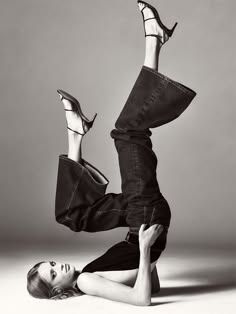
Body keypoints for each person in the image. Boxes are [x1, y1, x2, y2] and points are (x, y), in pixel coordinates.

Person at [27, 0, 196, 306]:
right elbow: (142, 300)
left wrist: (151, 260)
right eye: (53, 275)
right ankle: (154, 40)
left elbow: (150, 287)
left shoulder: (88, 277)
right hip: (144, 219)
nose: (58, 267)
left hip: (139, 217)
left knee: (70, 215)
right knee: (128, 132)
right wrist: (146, 249)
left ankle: (76, 134)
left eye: (50, 264)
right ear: (58, 292)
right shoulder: (87, 281)